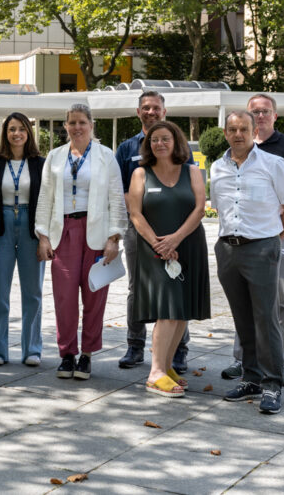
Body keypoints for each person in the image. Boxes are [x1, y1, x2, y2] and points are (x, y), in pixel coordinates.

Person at [211, 111, 284, 415]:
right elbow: (220, 209)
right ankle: (250, 378)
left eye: (243, 129)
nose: (238, 134)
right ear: (226, 133)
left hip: (262, 249)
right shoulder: (217, 167)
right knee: (242, 318)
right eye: (232, 129)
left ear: (253, 131)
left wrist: (273, 240)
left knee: (266, 318)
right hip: (227, 249)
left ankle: (272, 384)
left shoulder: (274, 165)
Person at [35, 104, 125, 381]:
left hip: (96, 232)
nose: (77, 127)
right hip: (63, 231)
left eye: (82, 122)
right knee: (64, 298)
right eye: (72, 122)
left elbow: (116, 197)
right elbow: (45, 197)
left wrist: (114, 237)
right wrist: (43, 236)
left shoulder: (105, 155)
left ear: (91, 125)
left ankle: (86, 354)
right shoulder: (55, 156)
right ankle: (67, 354)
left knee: (94, 295)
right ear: (65, 126)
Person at [126, 121, 209, 399]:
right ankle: (155, 373)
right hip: (155, 251)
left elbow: (200, 209)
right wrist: (159, 244)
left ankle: (167, 366)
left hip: (188, 246)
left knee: (181, 311)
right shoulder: (140, 173)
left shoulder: (192, 171)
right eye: (154, 140)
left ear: (176, 142)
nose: (159, 144)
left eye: (165, 139)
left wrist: (176, 239)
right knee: (168, 309)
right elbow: (135, 214)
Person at [116, 91, 190, 372]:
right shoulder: (126, 148)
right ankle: (135, 346)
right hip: (137, 228)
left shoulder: (178, 145)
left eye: (156, 107)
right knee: (137, 287)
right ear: (138, 112)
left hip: (172, 229)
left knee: (176, 285)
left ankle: (179, 350)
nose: (151, 112)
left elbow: (187, 185)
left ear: (164, 111)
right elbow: (120, 190)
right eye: (145, 107)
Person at [0, 113, 46, 366]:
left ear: (28, 133)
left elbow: (46, 201)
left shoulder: (40, 163)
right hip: (1, 225)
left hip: (30, 226)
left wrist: (45, 237)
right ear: (5, 133)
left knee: (33, 292)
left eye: (21, 129)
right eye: (12, 129)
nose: (16, 134)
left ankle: (32, 349)